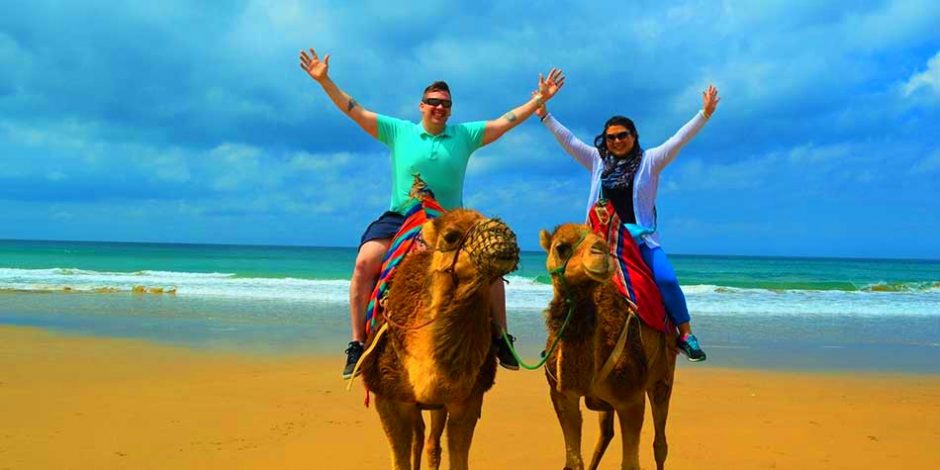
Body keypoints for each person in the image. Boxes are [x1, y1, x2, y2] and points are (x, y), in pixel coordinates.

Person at [299, 47, 566, 377]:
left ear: (450, 111)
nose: (439, 107)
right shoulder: (399, 131)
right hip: (401, 217)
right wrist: (325, 81)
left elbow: (505, 121)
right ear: (422, 106)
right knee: (364, 263)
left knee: (492, 265)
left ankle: (500, 337)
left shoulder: (464, 135)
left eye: (445, 104)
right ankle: (357, 344)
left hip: (451, 222)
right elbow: (354, 110)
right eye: (434, 102)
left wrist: (539, 99)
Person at [534, 85, 720, 361]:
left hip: (638, 240)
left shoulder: (651, 161)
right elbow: (569, 141)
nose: (617, 141)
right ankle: (559, 339)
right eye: (611, 137)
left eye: (622, 135)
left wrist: (704, 114)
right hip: (597, 242)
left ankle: (685, 334)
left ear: (634, 136)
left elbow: (679, 139)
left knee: (667, 280)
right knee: (568, 280)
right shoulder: (597, 161)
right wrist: (544, 114)